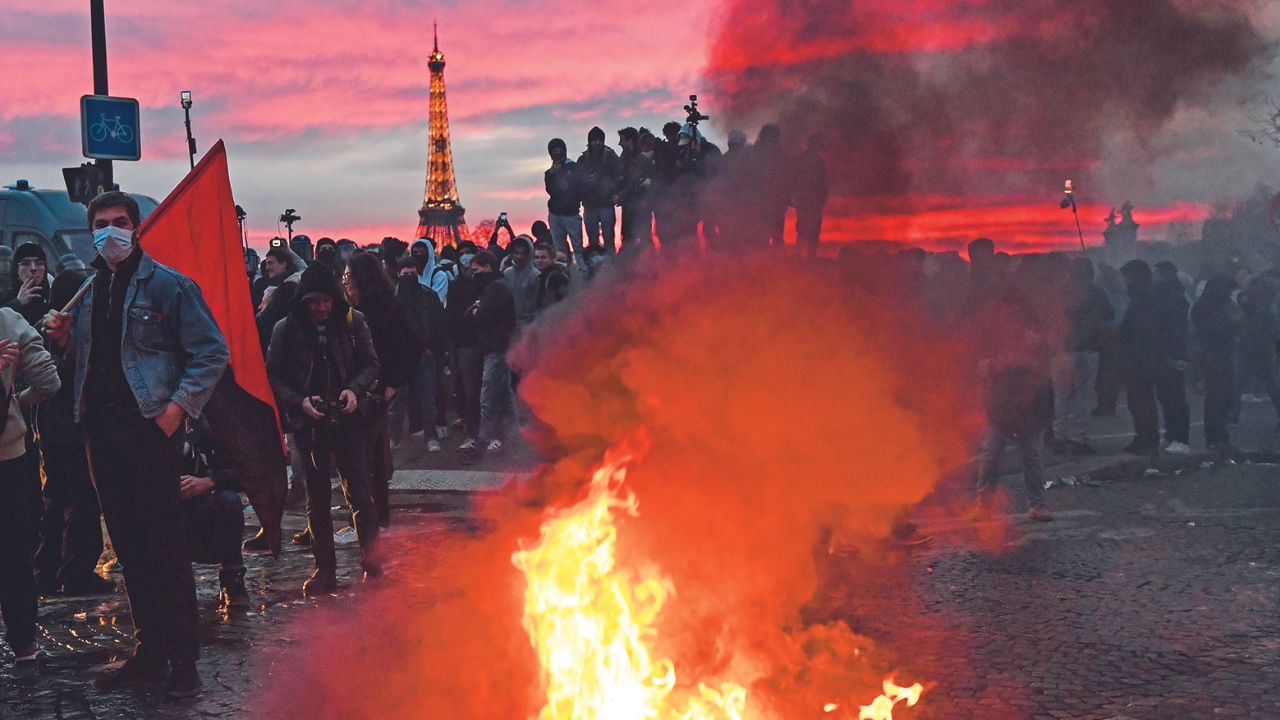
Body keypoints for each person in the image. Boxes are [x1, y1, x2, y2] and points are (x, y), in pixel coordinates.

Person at [43, 191, 229, 698]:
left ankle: (184, 658)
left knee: (165, 546)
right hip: (100, 435)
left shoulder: (169, 286)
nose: (110, 232)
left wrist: (176, 410)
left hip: (148, 431)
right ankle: (150, 650)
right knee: (128, 546)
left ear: (137, 227)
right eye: (100, 224)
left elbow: (211, 352)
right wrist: (63, 341)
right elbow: (89, 363)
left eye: (119, 222)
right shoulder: (89, 289)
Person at [266, 265, 381, 594]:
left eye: (326, 301)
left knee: (359, 492)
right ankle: (325, 570)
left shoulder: (352, 322)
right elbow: (273, 375)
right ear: (303, 301)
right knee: (316, 498)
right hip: (309, 421)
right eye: (313, 302)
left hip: (347, 418)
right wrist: (300, 401)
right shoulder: (286, 329)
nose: (320, 308)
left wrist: (353, 391)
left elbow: (372, 363)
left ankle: (373, 567)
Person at [34, 270, 112, 598]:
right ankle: (75, 572)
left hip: (54, 427)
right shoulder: (56, 333)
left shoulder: (48, 330)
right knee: (81, 499)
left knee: (57, 500)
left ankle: (48, 571)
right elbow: (60, 377)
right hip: (71, 428)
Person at [968, 239, 1054, 522]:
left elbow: (1045, 357)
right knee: (991, 453)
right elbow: (979, 360)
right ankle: (984, 504)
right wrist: (992, 365)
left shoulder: (1034, 336)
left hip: (1031, 401)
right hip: (1002, 401)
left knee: (1031, 455)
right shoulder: (989, 331)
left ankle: (1037, 503)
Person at [0, 295, 61, 667]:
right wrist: (17, 402)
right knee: (15, 557)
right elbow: (50, 383)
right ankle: (24, 645)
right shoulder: (8, 321)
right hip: (11, 458)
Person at [342, 253, 422, 528]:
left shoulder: (383, 307)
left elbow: (410, 346)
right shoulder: (365, 306)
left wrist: (391, 383)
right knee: (371, 457)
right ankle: (375, 518)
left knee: (365, 457)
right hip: (365, 387)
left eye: (349, 275)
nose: (345, 280)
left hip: (373, 389)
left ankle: (370, 520)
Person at [179, 417, 250, 612]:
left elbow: (246, 470)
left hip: (198, 517)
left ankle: (232, 581)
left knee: (228, 501)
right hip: (158, 518)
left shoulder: (205, 426)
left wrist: (209, 481)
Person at [1052, 258, 1113, 455]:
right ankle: (1079, 438)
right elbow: (1109, 314)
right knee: (1084, 395)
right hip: (1088, 349)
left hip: (1064, 349)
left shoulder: (1061, 291)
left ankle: (1058, 436)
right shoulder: (1095, 292)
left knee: (1060, 395)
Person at [394, 257, 447, 452]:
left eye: (412, 273)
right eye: (405, 274)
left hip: (423, 352)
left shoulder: (426, 295)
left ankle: (430, 436)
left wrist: (432, 347)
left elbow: (439, 323)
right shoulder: (395, 297)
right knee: (399, 399)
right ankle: (395, 437)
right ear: (399, 275)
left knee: (426, 397)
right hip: (401, 353)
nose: (409, 277)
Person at [470, 252, 518, 452]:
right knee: (505, 395)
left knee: (488, 393)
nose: (474, 274)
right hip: (499, 345)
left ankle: (484, 437)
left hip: (496, 346)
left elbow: (483, 316)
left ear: (487, 266)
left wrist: (476, 313)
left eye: (476, 270)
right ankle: (515, 437)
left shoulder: (495, 288)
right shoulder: (496, 286)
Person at [1117, 260, 1163, 456]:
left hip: (1141, 359)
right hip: (1136, 358)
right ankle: (1142, 436)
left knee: (1142, 401)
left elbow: (1142, 331)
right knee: (1136, 401)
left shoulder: (1145, 300)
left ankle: (1148, 439)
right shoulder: (1139, 299)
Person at [1192, 275, 1240, 452]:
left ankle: (1219, 437)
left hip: (1223, 355)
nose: (1228, 293)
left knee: (1224, 397)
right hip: (1213, 355)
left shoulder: (1222, 304)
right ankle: (1215, 438)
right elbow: (1209, 331)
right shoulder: (1204, 306)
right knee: (1217, 398)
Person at [1151, 261, 1191, 453]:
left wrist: (1170, 354)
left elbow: (1174, 330)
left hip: (1173, 354)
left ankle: (1181, 439)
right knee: (1166, 396)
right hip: (1163, 354)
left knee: (1175, 397)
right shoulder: (1165, 296)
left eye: (1157, 273)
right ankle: (1170, 434)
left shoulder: (1174, 299)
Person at [1237, 275, 1280, 429]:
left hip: (1258, 350)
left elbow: (1271, 331)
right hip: (1253, 349)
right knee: (1242, 383)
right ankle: (1231, 415)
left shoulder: (1263, 312)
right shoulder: (1256, 310)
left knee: (1268, 384)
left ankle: (1231, 416)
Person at [545, 138, 586, 275]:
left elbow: (578, 188)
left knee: (578, 249)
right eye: (554, 151)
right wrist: (553, 174)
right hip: (555, 214)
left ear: (564, 150)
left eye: (559, 150)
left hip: (571, 214)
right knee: (559, 250)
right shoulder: (549, 174)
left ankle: (582, 276)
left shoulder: (574, 168)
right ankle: (561, 277)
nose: (557, 153)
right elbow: (551, 190)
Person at [578, 126, 621, 255]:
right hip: (590, 205)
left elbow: (619, 175)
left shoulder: (610, 156)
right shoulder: (583, 159)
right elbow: (577, 180)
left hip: (606, 203)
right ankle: (596, 270)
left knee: (609, 239)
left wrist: (616, 193)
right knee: (593, 242)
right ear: (589, 141)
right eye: (594, 140)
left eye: (599, 140)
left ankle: (610, 267)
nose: (597, 143)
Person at [255, 246, 305, 354]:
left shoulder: (292, 287)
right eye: (266, 263)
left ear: (284, 264)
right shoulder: (263, 285)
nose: (267, 268)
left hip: (286, 351)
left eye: (271, 263)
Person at [615, 127, 654, 251]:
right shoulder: (624, 157)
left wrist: (620, 196)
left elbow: (634, 181)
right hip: (628, 206)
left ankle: (647, 265)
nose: (619, 143)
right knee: (627, 239)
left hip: (640, 205)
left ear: (630, 140)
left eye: (622, 140)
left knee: (644, 238)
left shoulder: (640, 158)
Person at [793, 133, 828, 258]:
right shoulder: (818, 162)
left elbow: (792, 179)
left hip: (802, 200)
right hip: (813, 201)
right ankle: (810, 256)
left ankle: (798, 255)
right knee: (814, 229)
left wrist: (793, 198)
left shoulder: (799, 160)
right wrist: (822, 199)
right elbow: (822, 183)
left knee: (802, 228)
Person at [4, 242, 51, 326]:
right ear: (16, 269)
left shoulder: (54, 297)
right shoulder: (4, 298)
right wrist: (17, 303)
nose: (33, 268)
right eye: (25, 263)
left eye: (39, 263)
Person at [503, 235, 540, 325]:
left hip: (530, 324)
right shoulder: (507, 273)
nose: (519, 256)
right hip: (510, 323)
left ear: (529, 254)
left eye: (523, 253)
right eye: (516, 253)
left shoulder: (536, 275)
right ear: (512, 254)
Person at [410, 238, 450, 306]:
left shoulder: (439, 275)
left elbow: (436, 300)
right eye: (415, 252)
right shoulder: (412, 274)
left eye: (422, 252)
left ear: (429, 254)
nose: (418, 255)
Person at [534, 244, 570, 310]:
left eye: (543, 257)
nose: (539, 260)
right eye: (537, 257)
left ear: (552, 259)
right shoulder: (542, 276)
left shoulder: (556, 277)